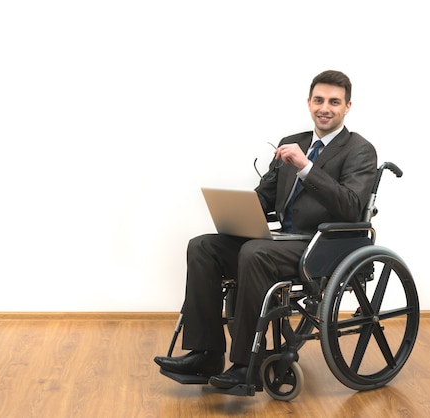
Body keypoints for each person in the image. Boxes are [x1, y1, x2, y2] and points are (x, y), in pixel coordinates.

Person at [154, 70, 378, 389]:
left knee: (254, 252)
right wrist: (238, 210)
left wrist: (307, 168)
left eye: (334, 102)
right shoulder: (293, 143)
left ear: (348, 107)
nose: (325, 107)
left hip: (323, 247)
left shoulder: (359, 150)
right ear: (309, 103)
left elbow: (352, 206)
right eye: (319, 100)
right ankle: (206, 354)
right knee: (202, 246)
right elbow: (266, 197)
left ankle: (246, 365)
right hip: (279, 243)